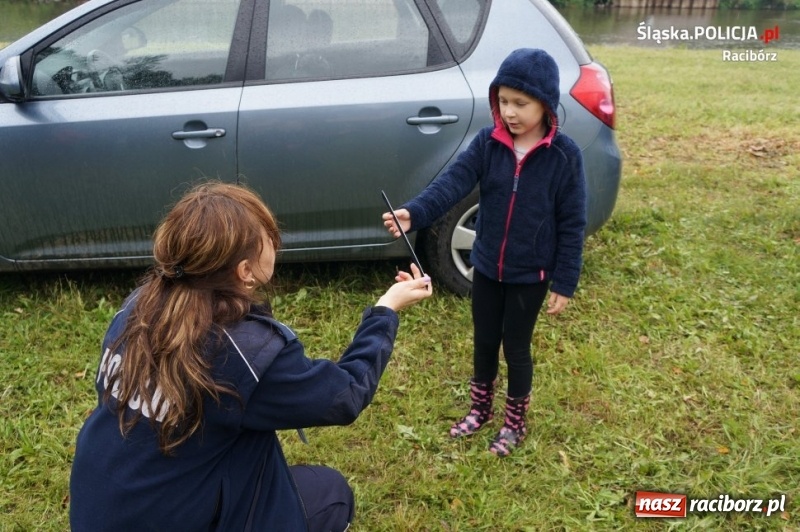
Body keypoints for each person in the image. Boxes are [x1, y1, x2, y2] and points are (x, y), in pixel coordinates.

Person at [70, 182, 432, 531]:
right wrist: (386, 309)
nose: (276, 243)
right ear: (244, 270)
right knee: (332, 495)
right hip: (178, 515)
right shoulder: (247, 355)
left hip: (101, 510)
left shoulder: (137, 306)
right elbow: (346, 394)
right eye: (269, 238)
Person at [382, 48, 586, 457]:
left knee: (516, 347)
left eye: (520, 103)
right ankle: (480, 410)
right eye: (503, 101)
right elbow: (452, 182)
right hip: (488, 266)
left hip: (531, 275)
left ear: (545, 103)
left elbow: (572, 222)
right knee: (485, 340)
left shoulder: (564, 156)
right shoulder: (488, 144)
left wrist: (565, 281)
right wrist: (414, 213)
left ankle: (514, 423)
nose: (509, 112)